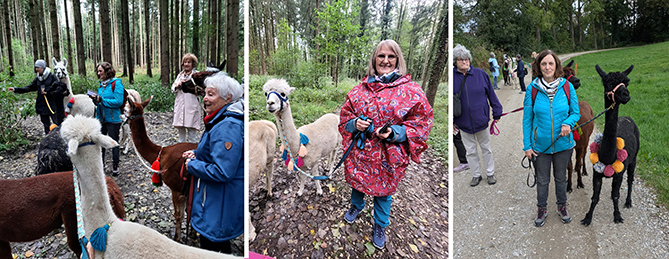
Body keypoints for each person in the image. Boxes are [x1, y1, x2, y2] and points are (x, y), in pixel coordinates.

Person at [339, 39, 433, 250]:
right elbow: (345, 116)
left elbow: (422, 121)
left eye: (391, 56)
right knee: (357, 183)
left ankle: (380, 224)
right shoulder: (358, 90)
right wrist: (355, 123)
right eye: (381, 56)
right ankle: (357, 206)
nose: (386, 60)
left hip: (388, 156)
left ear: (398, 60)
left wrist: (395, 133)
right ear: (374, 59)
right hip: (361, 153)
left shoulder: (411, 91)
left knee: (383, 192)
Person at [182, 73, 244, 253]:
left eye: (211, 94)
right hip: (215, 201)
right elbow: (219, 152)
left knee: (214, 248)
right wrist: (197, 153)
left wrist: (191, 165)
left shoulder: (227, 126)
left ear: (228, 98)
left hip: (218, 206)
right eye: (205, 94)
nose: (205, 99)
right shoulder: (220, 120)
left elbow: (223, 171)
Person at [523, 50, 580, 227]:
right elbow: (527, 120)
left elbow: (575, 113)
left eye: (551, 63)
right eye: (544, 64)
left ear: (556, 66)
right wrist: (527, 146)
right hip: (540, 146)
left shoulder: (566, 87)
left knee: (561, 178)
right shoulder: (532, 89)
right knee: (542, 180)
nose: (547, 67)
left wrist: (568, 124)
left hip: (563, 144)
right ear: (539, 67)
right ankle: (542, 209)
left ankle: (562, 206)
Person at [453, 44, 503, 186]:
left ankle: (490, 173)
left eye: (466, 59)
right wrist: (451, 120)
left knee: (486, 149)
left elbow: (491, 95)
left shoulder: (480, 74)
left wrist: (497, 111)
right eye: (460, 59)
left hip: (481, 121)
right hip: (463, 123)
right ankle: (476, 175)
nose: (464, 62)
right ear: (455, 61)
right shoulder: (453, 77)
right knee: (470, 151)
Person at [7, 60, 67, 134]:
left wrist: (49, 92)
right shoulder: (37, 79)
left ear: (42, 67)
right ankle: (47, 140)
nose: (36, 69)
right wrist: (15, 89)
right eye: (36, 67)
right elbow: (29, 88)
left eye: (38, 67)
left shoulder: (52, 76)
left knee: (57, 124)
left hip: (52, 106)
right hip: (42, 106)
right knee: (46, 125)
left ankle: (59, 139)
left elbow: (59, 88)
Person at [92, 62, 124, 176]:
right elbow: (100, 102)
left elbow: (118, 101)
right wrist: (95, 100)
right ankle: (101, 165)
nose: (98, 73)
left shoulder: (116, 84)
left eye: (100, 71)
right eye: (98, 71)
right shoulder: (101, 85)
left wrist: (102, 101)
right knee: (100, 142)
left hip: (113, 119)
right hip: (101, 119)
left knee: (114, 142)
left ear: (107, 71)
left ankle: (115, 166)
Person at [171, 53, 202, 143]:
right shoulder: (180, 75)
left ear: (193, 64)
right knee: (181, 133)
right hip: (180, 106)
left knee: (192, 133)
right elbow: (173, 89)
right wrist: (179, 84)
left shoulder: (196, 75)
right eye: (185, 62)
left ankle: (192, 154)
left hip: (191, 106)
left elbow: (201, 90)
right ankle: (182, 153)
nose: (186, 64)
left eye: (189, 62)